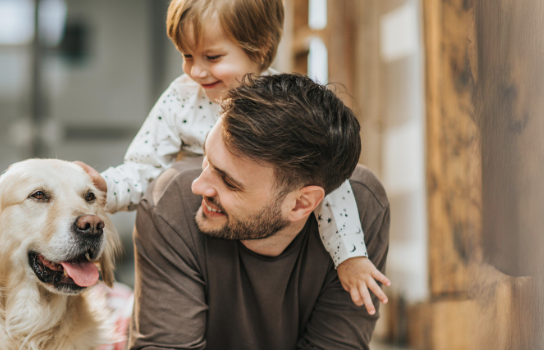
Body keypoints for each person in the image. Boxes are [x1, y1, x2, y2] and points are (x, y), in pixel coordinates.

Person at [76, 0, 389, 315]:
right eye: (186, 55)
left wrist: (349, 256)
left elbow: (328, 183)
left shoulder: (284, 107)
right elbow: (144, 165)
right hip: (206, 241)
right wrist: (107, 187)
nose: (196, 71)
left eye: (212, 57)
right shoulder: (182, 98)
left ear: (259, 48)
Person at [129, 74, 388, 349]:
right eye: (206, 159)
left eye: (229, 182)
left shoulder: (361, 209)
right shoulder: (171, 204)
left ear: (301, 203)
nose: (198, 186)